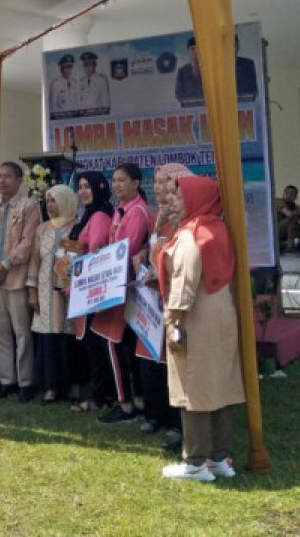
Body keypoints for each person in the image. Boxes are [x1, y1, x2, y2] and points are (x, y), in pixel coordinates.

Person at [160, 175, 245, 482]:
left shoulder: (191, 234)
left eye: (180, 197)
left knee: (193, 386)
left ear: (196, 199)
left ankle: (195, 461)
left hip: (196, 315)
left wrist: (175, 323)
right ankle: (220, 457)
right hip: (221, 314)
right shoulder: (218, 227)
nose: (173, 201)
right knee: (220, 385)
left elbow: (184, 281)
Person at [132, 162, 189, 442]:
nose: (159, 187)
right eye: (156, 182)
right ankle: (153, 415)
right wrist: (143, 254)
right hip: (152, 299)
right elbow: (155, 244)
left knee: (173, 361)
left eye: (166, 181)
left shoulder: (186, 215)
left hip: (174, 297)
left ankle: (177, 422)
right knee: (149, 358)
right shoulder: (159, 214)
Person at [0, 161, 43, 402]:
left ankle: (25, 382)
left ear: (19, 181)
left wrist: (4, 265)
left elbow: (28, 242)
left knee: (22, 333)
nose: (1, 181)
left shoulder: (29, 206)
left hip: (15, 277)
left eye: (7, 176)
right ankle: (7, 380)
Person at [95, 162, 152, 424]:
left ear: (136, 183)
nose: (116, 185)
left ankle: (126, 403)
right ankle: (135, 398)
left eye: (122, 180)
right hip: (117, 283)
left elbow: (124, 251)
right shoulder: (121, 210)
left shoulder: (137, 212)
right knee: (124, 346)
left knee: (115, 344)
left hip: (123, 286)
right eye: (114, 180)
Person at [63, 170, 114, 413]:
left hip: (93, 291)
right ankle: (101, 394)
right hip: (85, 290)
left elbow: (96, 255)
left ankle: (101, 396)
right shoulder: (89, 215)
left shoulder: (100, 217)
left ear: (99, 188)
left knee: (97, 347)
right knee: (92, 346)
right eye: (80, 187)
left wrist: (74, 280)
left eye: (87, 186)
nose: (83, 191)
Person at [29, 184, 79, 404]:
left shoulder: (76, 227)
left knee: (69, 337)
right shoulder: (42, 229)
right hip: (45, 292)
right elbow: (34, 262)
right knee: (48, 338)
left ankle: (74, 386)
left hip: (70, 293)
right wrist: (32, 293)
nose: (50, 205)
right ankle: (50, 388)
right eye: (48, 201)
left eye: (54, 200)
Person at [173, 34, 258, 107]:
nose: (196, 52)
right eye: (193, 49)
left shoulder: (248, 64)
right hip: (195, 110)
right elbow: (179, 94)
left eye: (233, 45)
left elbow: (253, 89)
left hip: (243, 106)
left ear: (238, 46)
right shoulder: (213, 66)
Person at [274, 185, 300, 253]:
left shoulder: (294, 205)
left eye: (292, 194)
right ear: (283, 194)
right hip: (274, 231)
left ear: (296, 197)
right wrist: (298, 211)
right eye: (287, 193)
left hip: (283, 232)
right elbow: (289, 214)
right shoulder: (278, 201)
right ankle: (289, 245)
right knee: (291, 219)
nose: (289, 196)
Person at [48, 54, 78, 119]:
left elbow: (77, 103)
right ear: (61, 69)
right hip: (61, 119)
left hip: (74, 119)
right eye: (66, 67)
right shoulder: (55, 83)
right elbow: (53, 106)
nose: (68, 70)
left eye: (70, 67)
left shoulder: (75, 83)